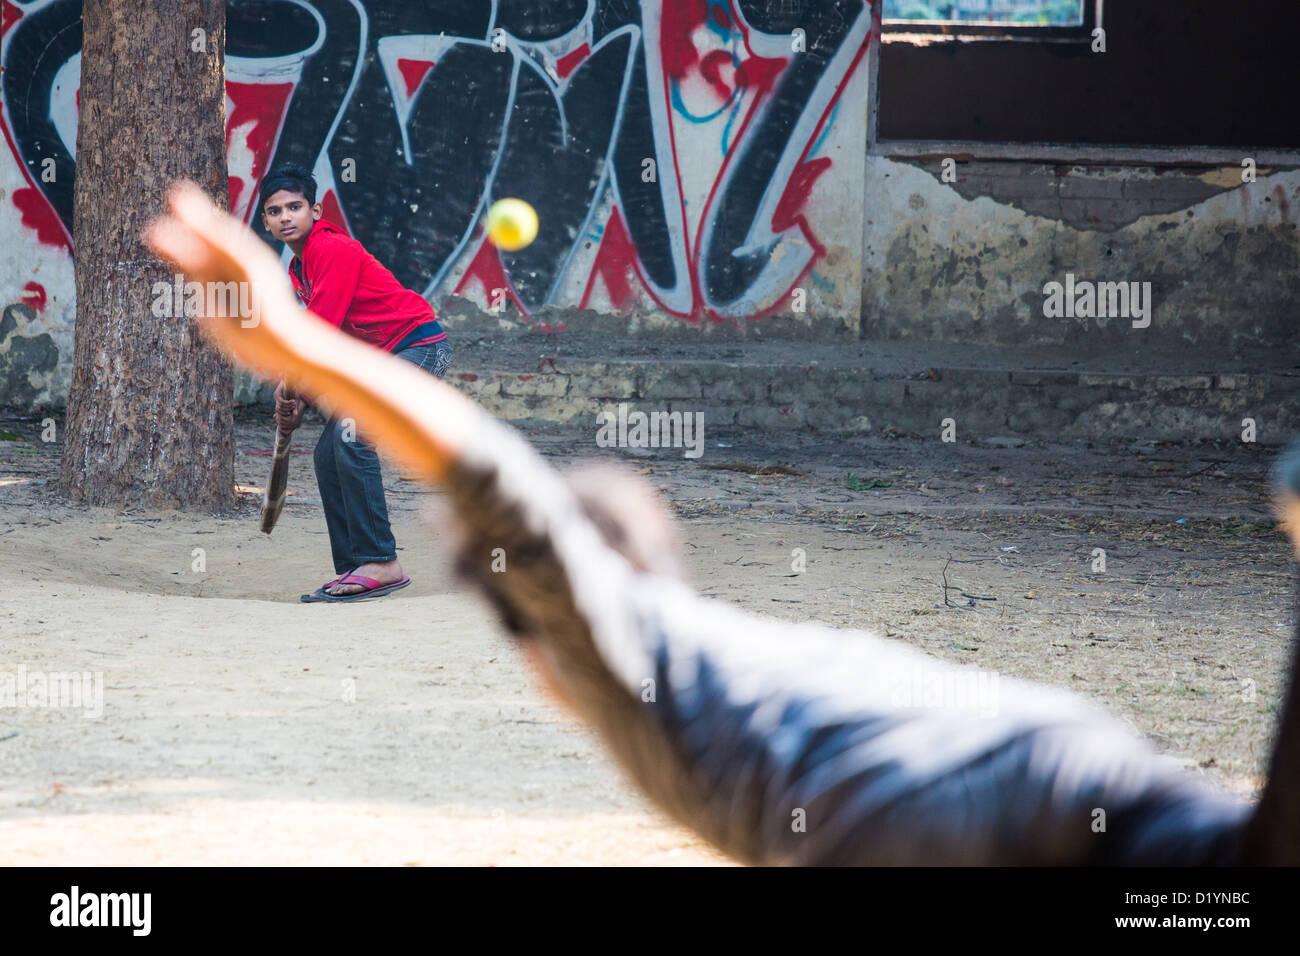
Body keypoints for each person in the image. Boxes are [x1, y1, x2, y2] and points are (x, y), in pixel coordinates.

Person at [258, 163, 451, 602]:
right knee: (329, 450)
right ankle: (355, 565)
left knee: (352, 435)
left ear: (316, 210)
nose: (285, 217)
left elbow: (318, 333)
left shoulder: (332, 251)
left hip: (420, 348)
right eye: (274, 211)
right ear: (266, 223)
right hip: (382, 362)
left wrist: (296, 390)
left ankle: (382, 563)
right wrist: (301, 399)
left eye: (295, 206)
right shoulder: (299, 269)